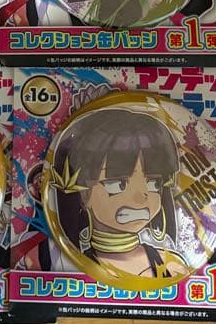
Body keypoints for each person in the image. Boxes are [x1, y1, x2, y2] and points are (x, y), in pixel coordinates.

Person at [48, 106, 187, 280]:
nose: (140, 197)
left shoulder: (172, 266)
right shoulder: (61, 262)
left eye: (153, 183)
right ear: (84, 194)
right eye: (118, 184)